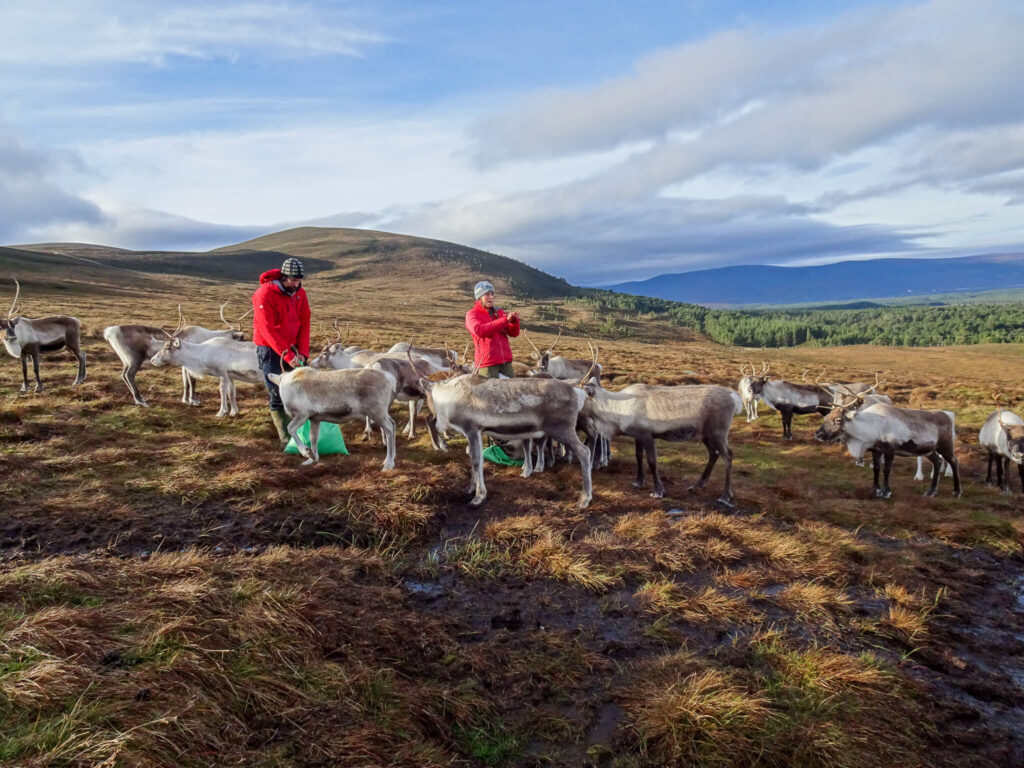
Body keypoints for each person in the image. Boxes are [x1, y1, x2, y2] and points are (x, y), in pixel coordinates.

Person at [252, 257, 311, 444]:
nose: (296, 284)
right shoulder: (264, 294)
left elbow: (305, 322)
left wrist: (302, 351)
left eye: (299, 280)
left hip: (293, 348)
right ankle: (286, 437)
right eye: (293, 280)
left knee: (303, 388)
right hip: (269, 350)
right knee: (278, 391)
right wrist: (287, 355)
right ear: (284, 277)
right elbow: (266, 328)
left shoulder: (300, 294)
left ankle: (302, 430)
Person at [465, 280, 520, 377]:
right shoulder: (472, 314)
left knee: (512, 391)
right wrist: (504, 320)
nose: (491, 297)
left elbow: (514, 333)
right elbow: (479, 330)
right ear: (479, 297)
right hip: (487, 363)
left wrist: (513, 321)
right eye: (487, 294)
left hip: (505, 362)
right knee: (490, 392)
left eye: (492, 294)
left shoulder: (499, 312)